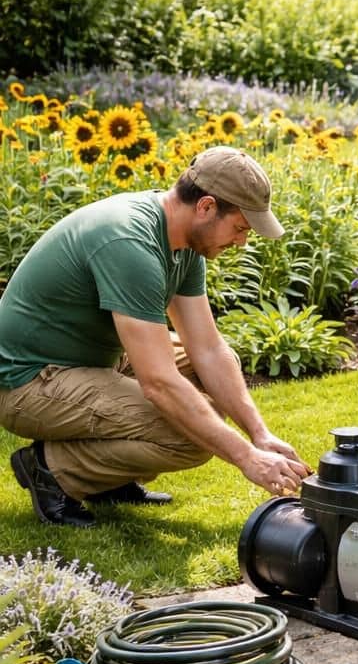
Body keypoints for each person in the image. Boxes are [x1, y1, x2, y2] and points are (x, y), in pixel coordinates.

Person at [0, 145, 310, 528]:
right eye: (241, 227)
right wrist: (246, 457)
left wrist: (260, 434)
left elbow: (209, 349)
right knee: (193, 437)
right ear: (206, 207)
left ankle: (107, 477)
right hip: (29, 383)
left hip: (90, 361)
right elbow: (159, 383)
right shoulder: (130, 242)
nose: (242, 241)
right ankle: (52, 470)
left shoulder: (183, 243)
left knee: (202, 381)